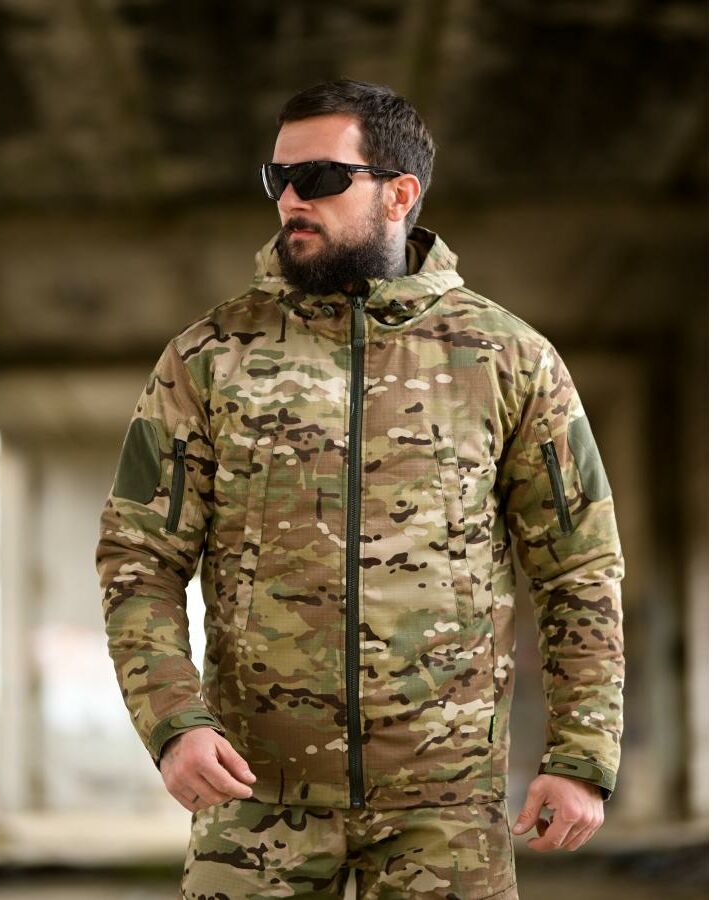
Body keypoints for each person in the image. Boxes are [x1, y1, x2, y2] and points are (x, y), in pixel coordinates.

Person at [95, 79, 625, 899]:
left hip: (447, 810)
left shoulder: (508, 359)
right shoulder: (209, 357)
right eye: (278, 179)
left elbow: (578, 568)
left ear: (399, 194)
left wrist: (582, 756)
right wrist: (173, 723)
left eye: (320, 178)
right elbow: (139, 559)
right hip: (253, 801)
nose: (291, 200)